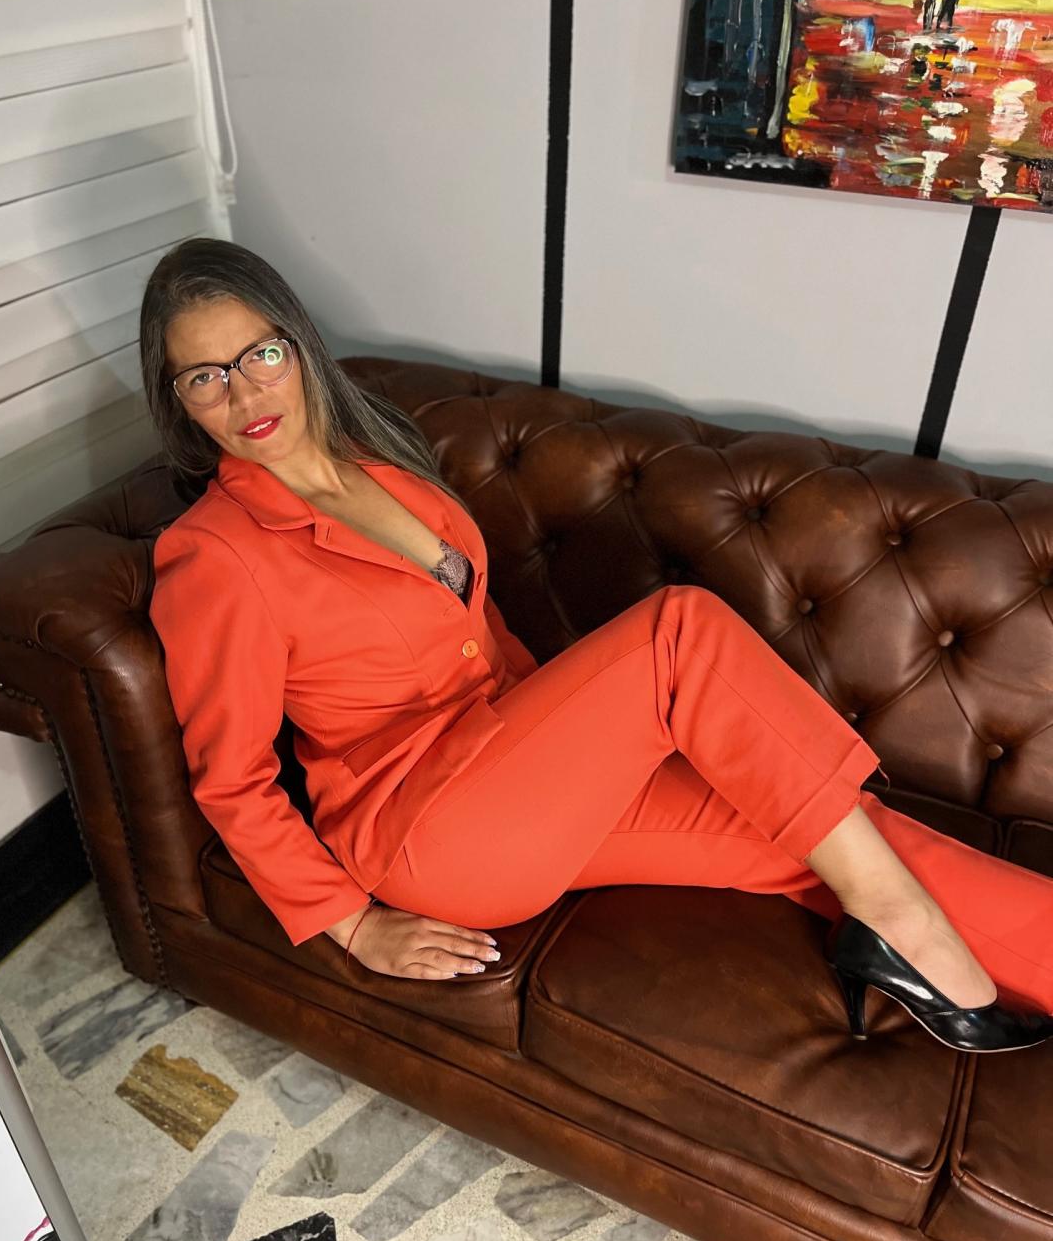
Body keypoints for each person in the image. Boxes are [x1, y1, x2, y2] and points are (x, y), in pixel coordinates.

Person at [143, 238, 1053, 1055]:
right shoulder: (214, 554)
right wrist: (350, 924)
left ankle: (959, 941)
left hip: (521, 769)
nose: (244, 393)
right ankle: (905, 925)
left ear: (298, 346)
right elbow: (231, 780)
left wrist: (581, 737)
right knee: (678, 629)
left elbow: (476, 632)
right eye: (204, 377)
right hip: (430, 828)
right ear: (179, 401)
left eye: (260, 354)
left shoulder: (379, 464)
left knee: (824, 829)